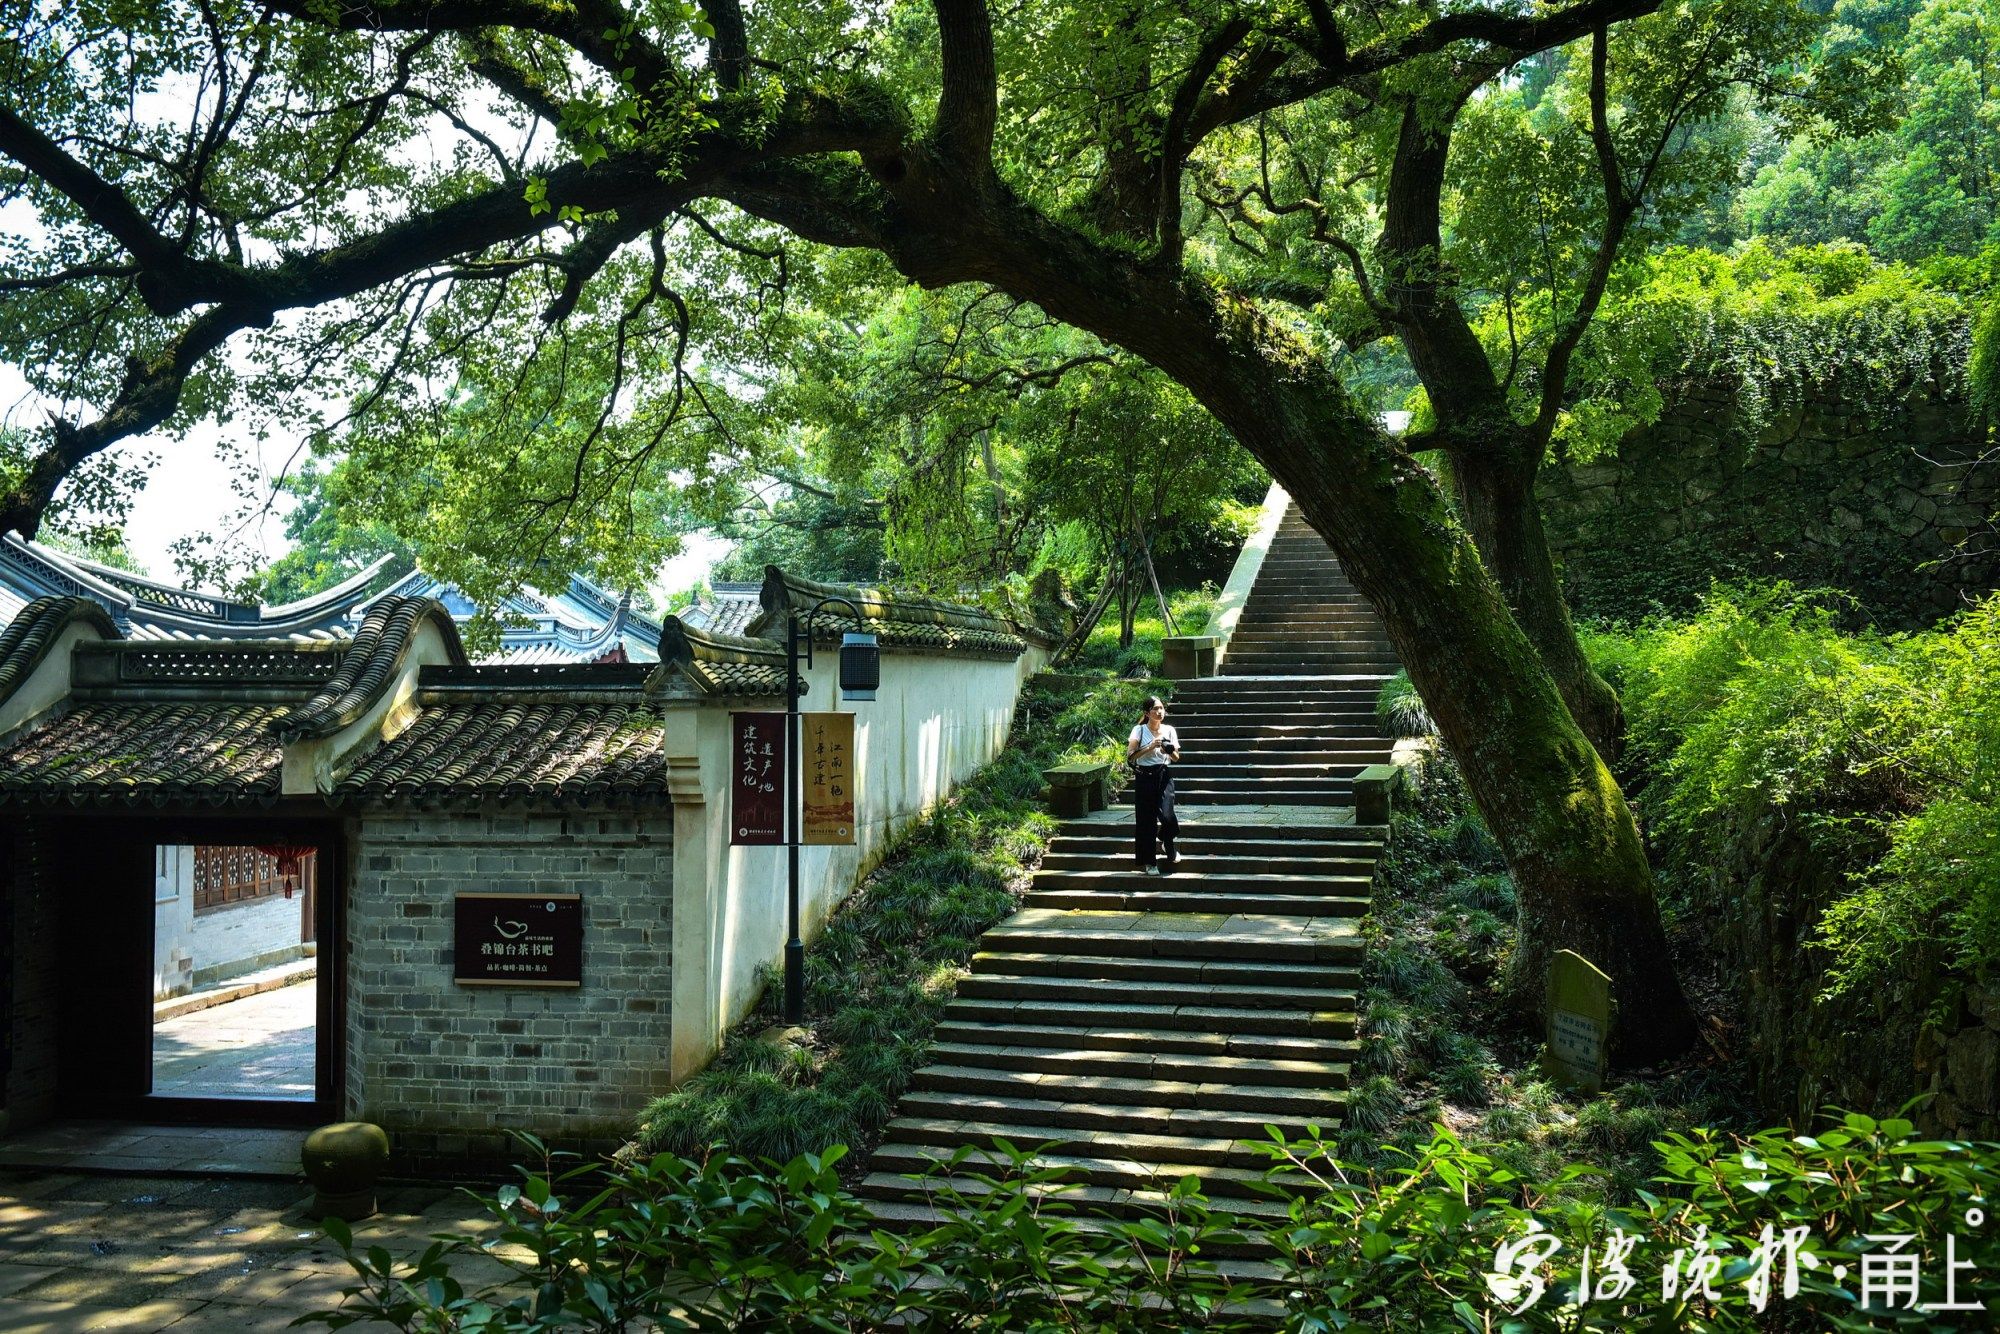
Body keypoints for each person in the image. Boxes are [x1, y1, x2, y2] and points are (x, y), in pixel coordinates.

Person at [1126, 695, 1181, 874]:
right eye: (1155, 709)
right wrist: (1150, 746)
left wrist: (1167, 750)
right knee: (1146, 821)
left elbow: (1176, 757)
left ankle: (1166, 841)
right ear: (1147, 713)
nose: (1159, 711)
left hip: (1163, 775)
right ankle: (1149, 862)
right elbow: (1130, 757)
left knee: (1168, 816)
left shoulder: (1170, 730)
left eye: (1161, 708)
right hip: (1144, 776)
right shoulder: (1139, 730)